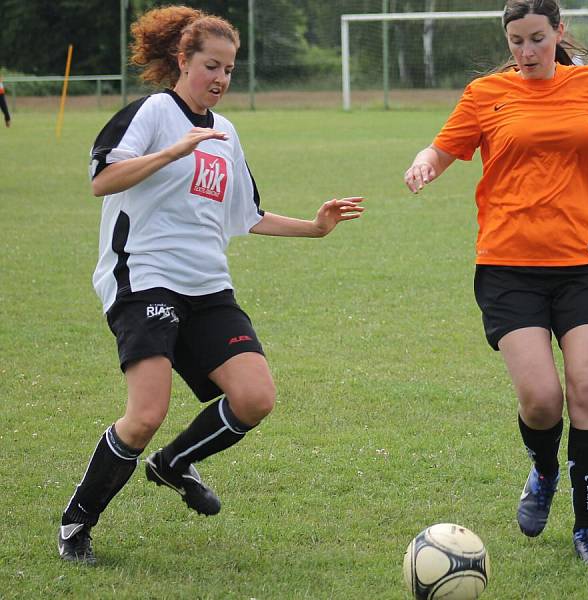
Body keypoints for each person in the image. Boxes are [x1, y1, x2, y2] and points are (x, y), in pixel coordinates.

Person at [58, 6, 364, 565]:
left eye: (229, 69)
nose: (221, 79)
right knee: (145, 413)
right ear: (183, 61)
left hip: (207, 288)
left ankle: (173, 464)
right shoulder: (152, 112)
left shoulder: (226, 132)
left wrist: (316, 228)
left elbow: (247, 215)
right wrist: (170, 150)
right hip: (144, 280)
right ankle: (77, 521)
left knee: (255, 397)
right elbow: (103, 179)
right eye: (211, 66)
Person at [403, 0, 588, 564]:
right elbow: (444, 146)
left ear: (558, 33)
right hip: (508, 268)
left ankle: (587, 530)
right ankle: (545, 471)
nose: (526, 52)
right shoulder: (485, 95)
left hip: (584, 265)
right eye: (516, 41)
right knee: (543, 401)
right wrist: (424, 162)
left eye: (536, 39)